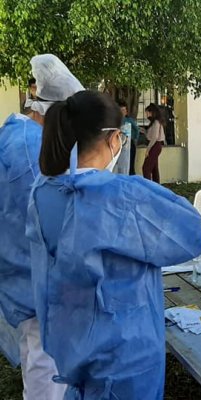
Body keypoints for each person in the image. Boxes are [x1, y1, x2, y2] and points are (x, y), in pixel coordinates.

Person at [26, 90, 201, 399]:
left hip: (75, 343)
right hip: (126, 354)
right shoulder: (121, 195)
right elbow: (191, 235)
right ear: (113, 138)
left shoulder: (43, 190)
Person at [0, 54, 83, 400]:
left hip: (19, 273)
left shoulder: (14, 134)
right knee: (44, 367)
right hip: (37, 280)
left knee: (38, 356)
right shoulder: (33, 150)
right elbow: (55, 217)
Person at [142, 103, 165, 183]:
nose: (146, 115)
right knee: (154, 169)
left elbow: (154, 137)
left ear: (152, 112)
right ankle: (156, 186)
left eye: (147, 112)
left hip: (155, 146)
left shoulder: (156, 122)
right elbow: (150, 135)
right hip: (155, 145)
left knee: (146, 168)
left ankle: (149, 187)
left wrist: (148, 149)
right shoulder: (154, 123)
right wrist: (142, 130)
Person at [117, 100, 140, 175]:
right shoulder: (116, 121)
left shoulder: (129, 120)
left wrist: (134, 138)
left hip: (129, 144)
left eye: (123, 110)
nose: (122, 112)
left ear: (126, 111)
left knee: (130, 164)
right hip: (118, 145)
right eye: (120, 110)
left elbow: (137, 130)